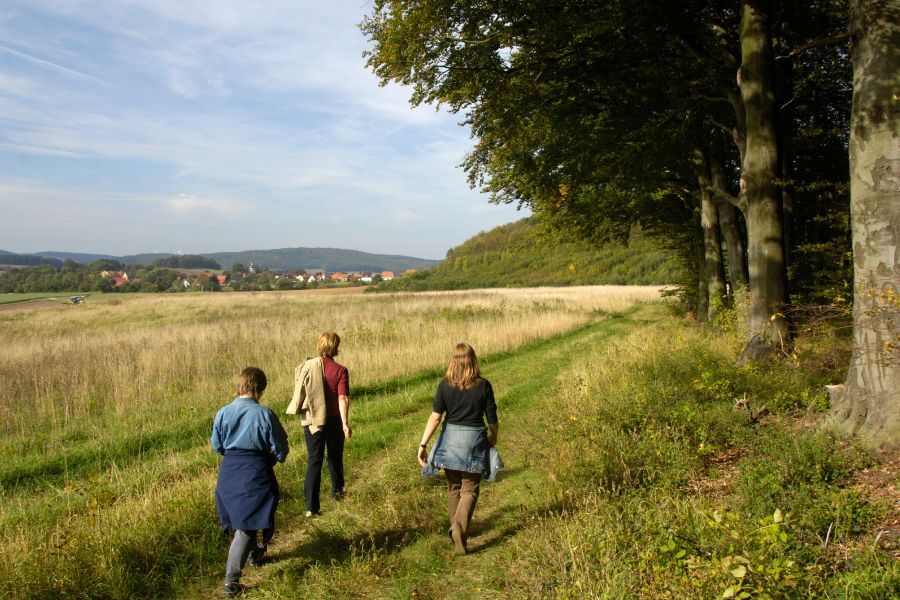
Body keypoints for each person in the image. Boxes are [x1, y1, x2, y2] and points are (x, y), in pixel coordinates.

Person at [211, 367, 289, 597]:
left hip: (229, 471)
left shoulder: (222, 413)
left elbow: (217, 445)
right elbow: (280, 447)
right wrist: (274, 458)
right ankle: (231, 582)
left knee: (244, 520)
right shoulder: (265, 414)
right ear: (260, 388)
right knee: (246, 526)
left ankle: (255, 554)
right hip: (255, 471)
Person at [418, 343, 500, 556]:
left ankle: (456, 530)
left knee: (454, 488)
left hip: (450, 441)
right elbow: (492, 418)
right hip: (474, 440)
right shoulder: (484, 385)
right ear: (473, 361)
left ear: (453, 361)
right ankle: (459, 529)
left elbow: (436, 416)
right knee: (470, 489)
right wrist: (493, 436)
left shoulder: (444, 385)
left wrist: (423, 444)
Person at [289, 331, 351, 517]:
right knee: (334, 459)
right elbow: (343, 399)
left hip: (313, 420)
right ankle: (338, 495)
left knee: (314, 461)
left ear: (320, 345)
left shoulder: (307, 367)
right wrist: (345, 423)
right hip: (333, 420)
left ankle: (311, 507)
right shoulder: (340, 370)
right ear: (335, 347)